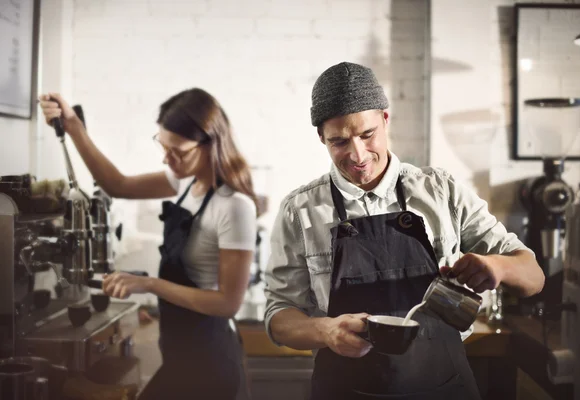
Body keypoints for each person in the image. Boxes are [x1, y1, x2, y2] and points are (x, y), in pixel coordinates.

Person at [263, 62, 545, 400]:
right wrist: (324, 330)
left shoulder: (442, 191)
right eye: (339, 142)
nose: (358, 155)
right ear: (321, 137)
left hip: (444, 387)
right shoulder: (301, 210)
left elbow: (533, 277)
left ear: (385, 119)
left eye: (367, 135)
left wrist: (498, 266)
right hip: (344, 390)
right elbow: (279, 315)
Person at [39, 88, 257, 400]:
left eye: (178, 152)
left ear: (211, 144)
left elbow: (227, 303)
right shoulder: (184, 182)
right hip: (177, 351)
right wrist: (73, 125)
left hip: (210, 360)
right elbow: (118, 185)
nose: (168, 159)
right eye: (163, 146)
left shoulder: (234, 206)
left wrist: (150, 285)